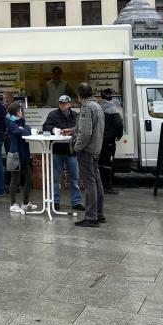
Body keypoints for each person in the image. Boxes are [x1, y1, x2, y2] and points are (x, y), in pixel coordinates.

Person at [66, 82, 105, 227]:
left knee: (89, 183)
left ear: (79, 95)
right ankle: (99, 214)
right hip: (95, 149)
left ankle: (91, 217)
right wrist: (73, 130)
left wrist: (77, 147)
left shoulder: (86, 108)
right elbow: (91, 128)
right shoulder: (97, 106)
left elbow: (86, 132)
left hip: (87, 151)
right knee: (96, 182)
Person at [43, 95, 83, 212]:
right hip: (57, 150)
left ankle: (76, 202)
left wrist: (72, 131)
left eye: (65, 103)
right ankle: (55, 202)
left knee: (74, 179)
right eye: (61, 103)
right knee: (55, 179)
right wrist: (54, 130)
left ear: (70, 104)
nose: (63, 105)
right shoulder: (52, 114)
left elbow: (80, 128)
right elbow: (45, 126)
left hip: (72, 151)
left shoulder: (76, 115)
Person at [6, 102, 36, 214]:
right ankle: (13, 204)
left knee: (29, 179)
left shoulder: (19, 121)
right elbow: (19, 131)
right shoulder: (10, 121)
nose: (22, 112)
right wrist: (26, 130)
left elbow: (25, 129)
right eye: (20, 110)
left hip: (23, 153)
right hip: (15, 154)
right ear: (16, 112)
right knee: (15, 179)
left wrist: (26, 129)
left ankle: (25, 202)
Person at [97, 88, 124, 194]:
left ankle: (97, 187)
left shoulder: (96, 106)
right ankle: (106, 187)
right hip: (108, 141)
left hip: (95, 141)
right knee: (107, 163)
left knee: (97, 164)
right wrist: (119, 135)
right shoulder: (112, 108)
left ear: (101, 96)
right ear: (111, 97)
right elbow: (119, 124)